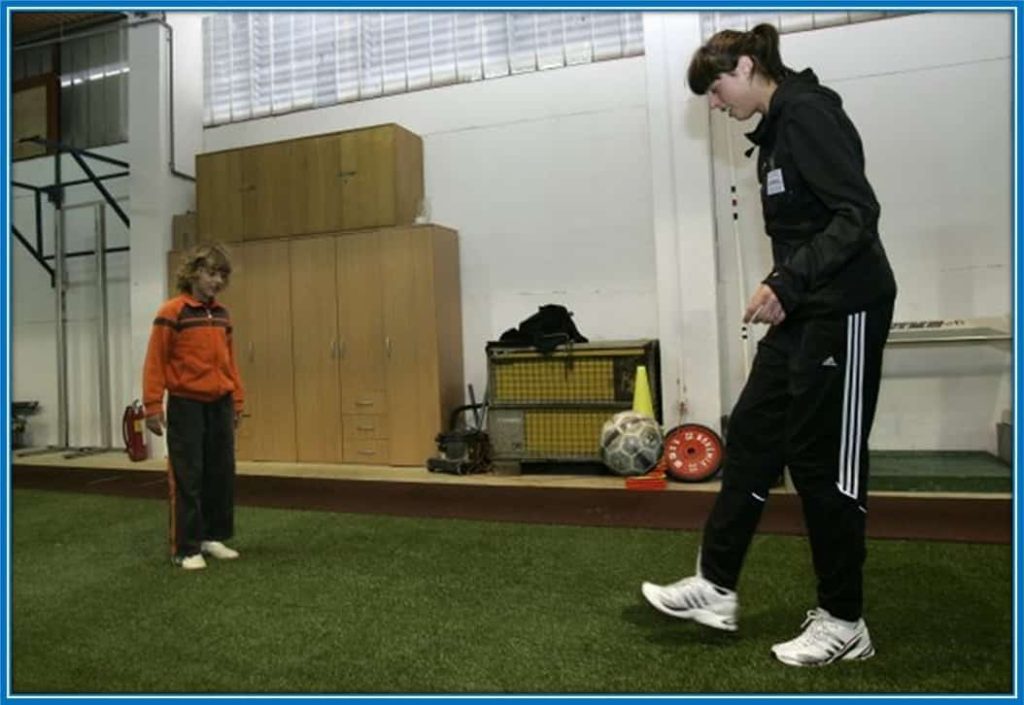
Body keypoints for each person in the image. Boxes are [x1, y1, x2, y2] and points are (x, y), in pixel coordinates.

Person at [641, 24, 897, 667]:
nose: (714, 103)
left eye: (717, 86)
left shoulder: (809, 115)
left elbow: (856, 214)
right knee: (752, 437)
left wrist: (787, 278)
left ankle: (845, 621)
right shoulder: (774, 133)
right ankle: (716, 587)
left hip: (846, 307)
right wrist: (788, 288)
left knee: (821, 464)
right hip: (802, 310)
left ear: (749, 66)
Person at [143, 243, 246, 571]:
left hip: (220, 403)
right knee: (188, 475)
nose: (217, 281)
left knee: (220, 473)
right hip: (187, 405)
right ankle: (185, 548)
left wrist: (237, 399)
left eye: (222, 275)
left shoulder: (222, 314)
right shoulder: (172, 312)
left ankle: (211, 536)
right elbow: (155, 362)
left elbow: (230, 363)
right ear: (193, 273)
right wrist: (151, 405)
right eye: (211, 273)